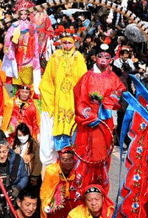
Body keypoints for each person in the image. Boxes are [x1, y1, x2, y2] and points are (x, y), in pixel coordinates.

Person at [71, 45, 125, 195]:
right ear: (95, 58)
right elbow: (79, 97)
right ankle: (81, 191)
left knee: (102, 156)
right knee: (85, 155)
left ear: (112, 60)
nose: (103, 60)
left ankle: (100, 192)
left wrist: (105, 105)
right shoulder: (87, 76)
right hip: (88, 122)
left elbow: (119, 91)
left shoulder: (113, 77)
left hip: (104, 121)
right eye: (101, 56)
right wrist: (88, 113)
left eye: (107, 58)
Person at [39, 27, 87, 166]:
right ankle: (58, 164)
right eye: (64, 42)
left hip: (72, 102)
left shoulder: (79, 58)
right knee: (58, 132)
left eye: (69, 43)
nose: (66, 46)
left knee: (72, 132)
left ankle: (73, 164)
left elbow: (83, 81)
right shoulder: (56, 57)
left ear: (74, 43)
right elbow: (47, 80)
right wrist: (50, 101)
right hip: (58, 101)